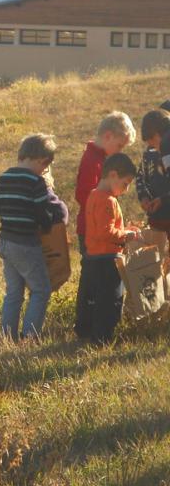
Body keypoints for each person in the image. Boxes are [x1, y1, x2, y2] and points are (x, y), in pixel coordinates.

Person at [74, 112, 136, 338]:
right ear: (108, 136)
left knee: (93, 284)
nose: (119, 151)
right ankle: (97, 330)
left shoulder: (98, 160)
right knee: (100, 289)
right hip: (96, 237)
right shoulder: (94, 162)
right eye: (119, 146)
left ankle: (87, 327)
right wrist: (121, 233)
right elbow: (83, 194)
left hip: (96, 232)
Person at [0, 133, 56, 341]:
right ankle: (30, 336)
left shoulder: (4, 177)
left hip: (6, 242)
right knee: (41, 290)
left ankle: (7, 336)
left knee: (14, 292)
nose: (43, 171)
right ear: (41, 161)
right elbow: (43, 216)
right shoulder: (36, 183)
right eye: (45, 167)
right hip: (26, 244)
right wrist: (49, 220)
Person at [83, 153, 141, 344]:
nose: (126, 189)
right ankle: (103, 339)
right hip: (107, 259)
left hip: (94, 257)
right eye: (125, 183)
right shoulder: (107, 200)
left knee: (96, 299)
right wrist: (127, 235)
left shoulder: (93, 195)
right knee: (111, 301)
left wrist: (124, 229)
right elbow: (105, 232)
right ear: (113, 175)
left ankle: (91, 333)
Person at [137, 109, 170, 246]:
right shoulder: (150, 153)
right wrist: (144, 196)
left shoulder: (166, 148)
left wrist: (163, 200)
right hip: (158, 218)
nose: (151, 145)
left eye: (152, 140)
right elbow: (141, 177)